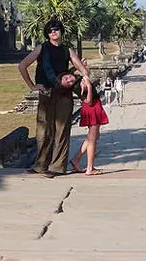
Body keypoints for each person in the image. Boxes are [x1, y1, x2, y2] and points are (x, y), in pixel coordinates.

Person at [18, 18, 89, 178]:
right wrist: (32, 86)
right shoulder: (41, 48)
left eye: (56, 29)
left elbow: (82, 69)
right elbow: (22, 66)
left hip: (63, 95)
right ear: (47, 33)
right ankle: (40, 165)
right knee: (44, 131)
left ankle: (57, 167)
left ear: (61, 31)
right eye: (50, 30)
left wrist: (84, 77)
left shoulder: (67, 50)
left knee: (62, 131)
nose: (53, 32)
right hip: (47, 93)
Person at [58, 72, 109, 176]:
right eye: (67, 82)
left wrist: (84, 72)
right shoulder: (77, 86)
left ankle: (76, 159)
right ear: (69, 87)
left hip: (95, 105)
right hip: (92, 107)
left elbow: (82, 70)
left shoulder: (78, 79)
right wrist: (89, 86)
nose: (69, 80)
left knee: (94, 136)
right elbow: (89, 101)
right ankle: (90, 168)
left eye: (67, 77)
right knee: (92, 140)